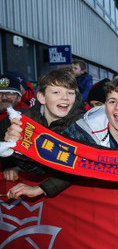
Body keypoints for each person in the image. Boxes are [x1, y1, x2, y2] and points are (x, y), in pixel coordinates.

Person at [1, 69, 86, 198]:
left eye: (70, 93)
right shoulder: (20, 119)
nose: (65, 98)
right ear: (41, 97)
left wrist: (40, 189)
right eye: (56, 92)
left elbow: (78, 166)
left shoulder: (81, 125)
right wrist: (9, 161)